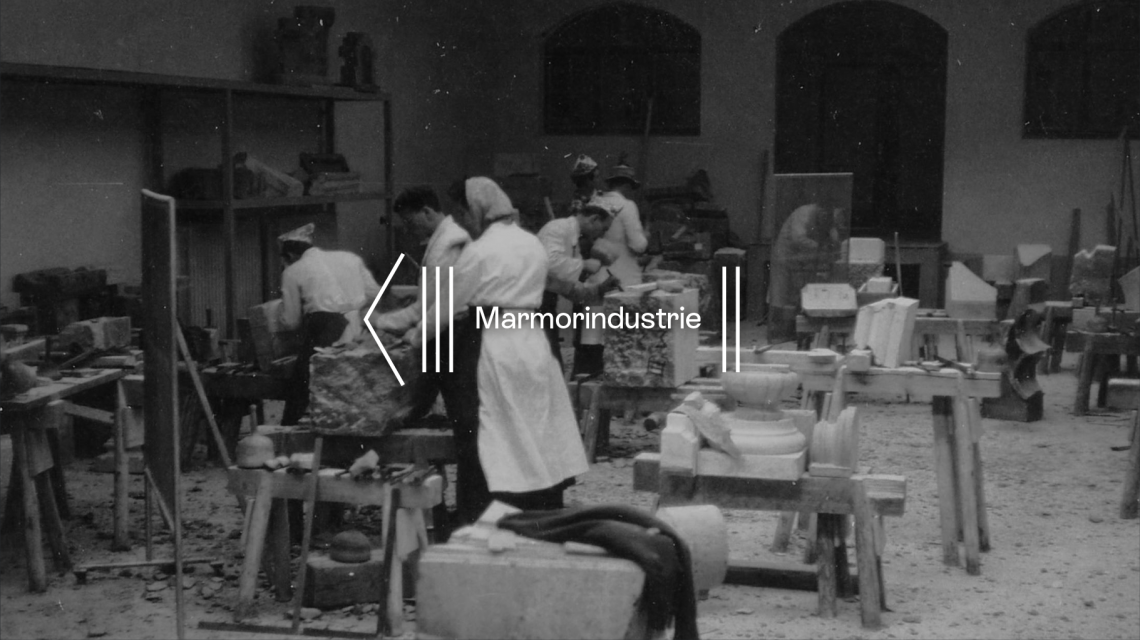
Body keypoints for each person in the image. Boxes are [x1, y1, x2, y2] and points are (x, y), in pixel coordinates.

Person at [415, 177, 590, 512]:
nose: (464, 223)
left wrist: (414, 338)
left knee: (490, 432)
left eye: (464, 214)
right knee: (535, 425)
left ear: (478, 210)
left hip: (492, 341)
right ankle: (539, 508)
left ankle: (490, 513)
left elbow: (447, 308)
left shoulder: (479, 251)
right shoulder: (532, 244)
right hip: (533, 340)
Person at [277, 222, 382, 425]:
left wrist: (280, 314)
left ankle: (290, 427)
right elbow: (375, 293)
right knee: (357, 381)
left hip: (327, 329)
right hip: (360, 328)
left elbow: (291, 321)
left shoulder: (292, 271)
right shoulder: (350, 258)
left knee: (303, 384)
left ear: (289, 256)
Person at [578, 156, 649, 376]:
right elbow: (638, 245)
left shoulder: (595, 202)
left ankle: (589, 376)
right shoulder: (627, 206)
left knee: (593, 336)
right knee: (620, 339)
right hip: (622, 279)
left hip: (596, 276)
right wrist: (646, 234)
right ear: (627, 186)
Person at [536, 198, 621, 366]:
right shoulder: (557, 228)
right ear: (594, 219)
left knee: (552, 364)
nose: (602, 235)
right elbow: (549, 264)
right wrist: (583, 265)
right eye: (603, 229)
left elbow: (569, 288)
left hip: (547, 303)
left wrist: (599, 289)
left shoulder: (574, 237)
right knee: (548, 363)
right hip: (533, 305)